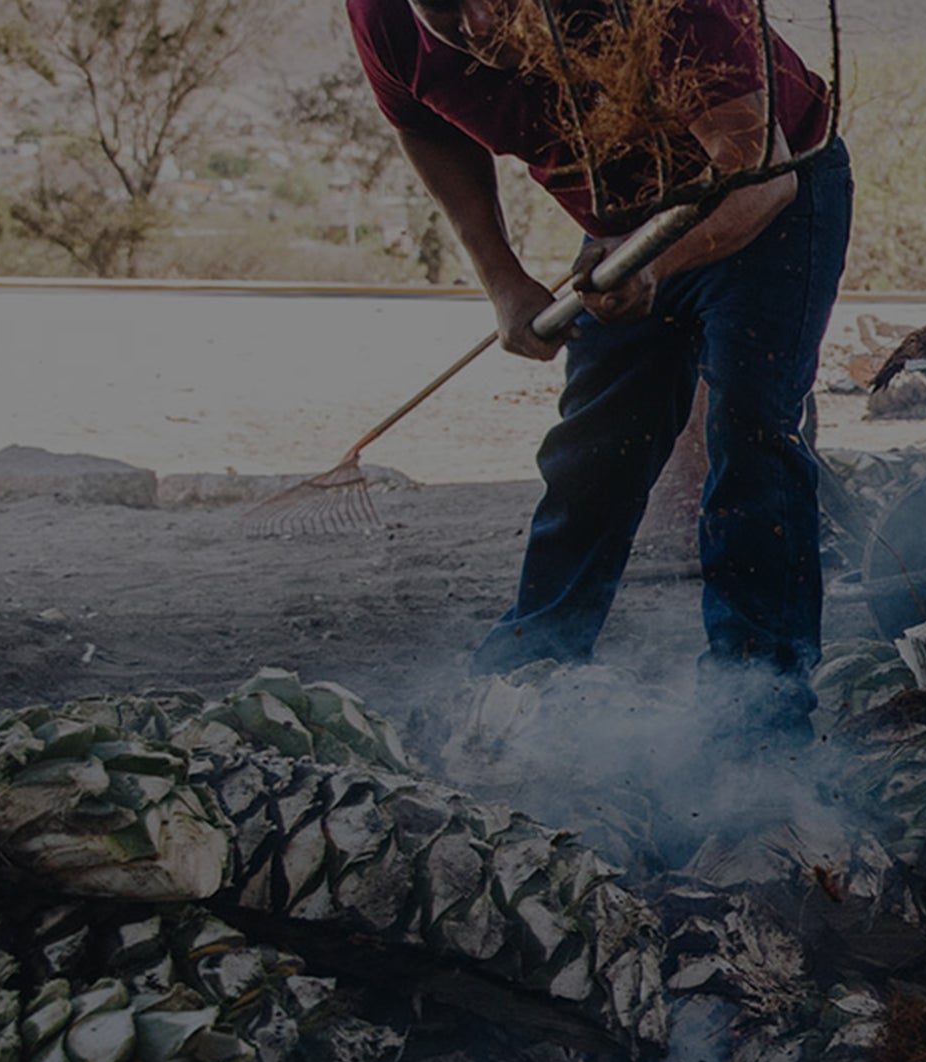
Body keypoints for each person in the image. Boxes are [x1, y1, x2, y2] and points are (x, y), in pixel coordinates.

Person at [351, 0, 849, 746]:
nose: (481, 26)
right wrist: (503, 281)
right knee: (594, 450)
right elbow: (422, 123)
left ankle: (761, 712)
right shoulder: (382, 17)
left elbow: (762, 174)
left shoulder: (660, 7)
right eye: (449, 9)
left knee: (750, 430)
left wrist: (653, 261)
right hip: (626, 216)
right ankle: (525, 674)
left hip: (770, 195)